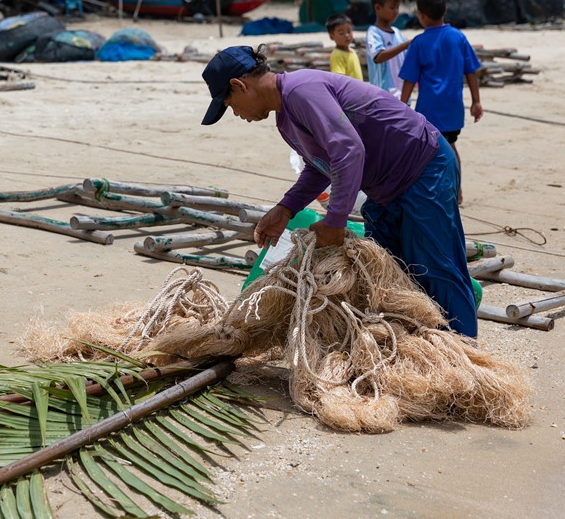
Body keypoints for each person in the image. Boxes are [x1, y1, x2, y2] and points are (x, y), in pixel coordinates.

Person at [200, 46, 477, 337]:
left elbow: (348, 150)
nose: (236, 114)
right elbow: (322, 166)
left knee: (437, 267)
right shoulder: (285, 118)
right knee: (392, 274)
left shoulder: (300, 91)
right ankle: (417, 345)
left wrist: (335, 220)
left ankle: (466, 355)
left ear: (239, 85)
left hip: (422, 167)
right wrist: (285, 209)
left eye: (230, 105)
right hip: (385, 187)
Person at [398, 0, 483, 205]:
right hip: (453, 109)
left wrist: (401, 107)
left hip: (429, 110)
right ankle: (457, 190)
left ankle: (433, 192)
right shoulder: (458, 37)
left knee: (428, 153)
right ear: (445, 9)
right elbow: (471, 71)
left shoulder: (418, 43)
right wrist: (476, 101)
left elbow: (409, 79)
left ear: (420, 15)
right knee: (451, 148)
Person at [365, 0, 411, 98]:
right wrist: (405, 45)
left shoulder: (397, 32)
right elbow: (379, 57)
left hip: (402, 95)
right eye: (392, 7)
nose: (396, 11)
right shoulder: (374, 32)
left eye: (397, 7)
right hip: (383, 96)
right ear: (377, 8)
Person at [325, 13, 363, 81]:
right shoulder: (337, 55)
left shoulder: (352, 51)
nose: (347, 35)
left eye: (349, 31)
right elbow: (339, 79)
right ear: (331, 36)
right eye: (341, 33)